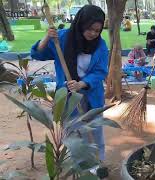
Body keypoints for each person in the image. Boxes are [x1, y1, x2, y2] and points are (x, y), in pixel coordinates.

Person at [30, 5, 108, 175]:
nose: (93, 33)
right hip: (68, 97)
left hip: (91, 95)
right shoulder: (62, 38)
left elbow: (101, 71)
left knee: (95, 131)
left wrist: (83, 83)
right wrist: (46, 38)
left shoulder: (100, 45)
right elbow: (36, 54)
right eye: (89, 28)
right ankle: (80, 167)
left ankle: (97, 164)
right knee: (74, 133)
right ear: (81, 23)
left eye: (97, 30)